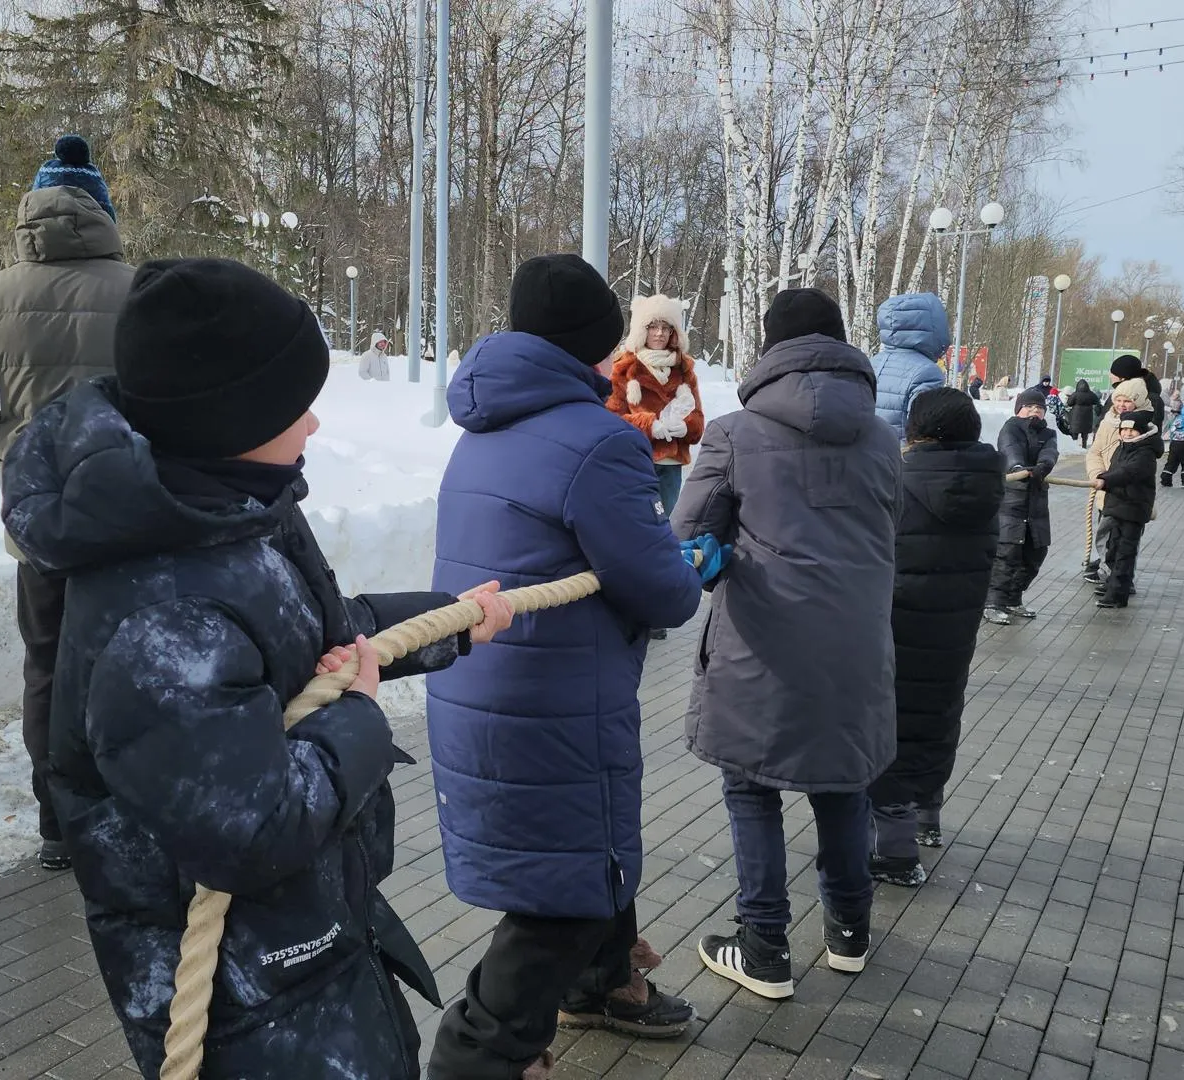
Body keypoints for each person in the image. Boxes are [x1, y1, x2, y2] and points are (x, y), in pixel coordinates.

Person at [0, 257, 512, 1079]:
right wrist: (357, 718)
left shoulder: (226, 509)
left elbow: (313, 642)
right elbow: (250, 829)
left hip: (303, 943)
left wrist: (451, 622)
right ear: (231, 417)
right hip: (246, 998)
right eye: (292, 405)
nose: (312, 424)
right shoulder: (163, 614)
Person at [426, 255, 706, 1080]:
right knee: (564, 891)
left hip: (483, 682)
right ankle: (477, 1055)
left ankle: (601, 985)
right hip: (554, 701)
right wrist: (687, 566)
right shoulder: (600, 440)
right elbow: (664, 593)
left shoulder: (482, 425)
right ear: (599, 340)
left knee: (578, 855)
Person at [672, 287, 900, 1000]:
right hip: (858, 642)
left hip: (762, 643)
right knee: (843, 782)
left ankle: (765, 945)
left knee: (751, 786)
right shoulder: (883, 437)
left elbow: (687, 533)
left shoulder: (734, 434)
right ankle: (850, 931)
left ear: (771, 349)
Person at [0, 134, 137, 870]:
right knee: (131, 662)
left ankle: (59, 824)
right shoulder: (140, 289)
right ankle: (131, 810)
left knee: (47, 665)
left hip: (41, 522)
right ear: (103, 211)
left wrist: (15, 454)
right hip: (131, 516)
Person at [867, 388, 1002, 886]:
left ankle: (896, 853)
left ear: (916, 430)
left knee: (891, 728)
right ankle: (928, 814)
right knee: (939, 715)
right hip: (956, 625)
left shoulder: (898, 480)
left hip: (898, 623)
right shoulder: (988, 483)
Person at [605, 293, 705, 519]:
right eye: (653, 326)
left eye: (665, 327)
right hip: (635, 462)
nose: (659, 333)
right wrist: (650, 425)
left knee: (664, 524)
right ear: (642, 329)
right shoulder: (624, 367)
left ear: (673, 332)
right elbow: (611, 420)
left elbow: (698, 422)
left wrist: (686, 426)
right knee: (634, 523)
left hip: (670, 467)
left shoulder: (684, 370)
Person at [983, 388, 1060, 624]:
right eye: (1029, 407)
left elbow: (1050, 452)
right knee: (1007, 553)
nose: (1034, 411)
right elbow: (1010, 449)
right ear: (1019, 409)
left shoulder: (1048, 433)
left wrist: (1043, 466)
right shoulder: (1011, 427)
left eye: (1039, 408)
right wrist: (1018, 468)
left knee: (1035, 552)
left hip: (1037, 501)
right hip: (1012, 501)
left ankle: (1013, 598)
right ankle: (993, 602)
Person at [1081, 370, 1146, 583]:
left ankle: (1120, 580)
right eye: (1118, 400)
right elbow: (1095, 451)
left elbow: (1140, 462)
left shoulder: (1144, 425)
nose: (1121, 405)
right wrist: (1097, 474)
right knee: (1105, 533)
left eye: (1127, 401)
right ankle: (1108, 571)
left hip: (1129, 492)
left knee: (1125, 540)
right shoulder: (1107, 421)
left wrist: (1112, 478)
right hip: (1105, 487)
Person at [1093, 408, 1161, 608]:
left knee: (1125, 552)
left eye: (1132, 430)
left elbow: (1129, 472)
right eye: (1124, 430)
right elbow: (1115, 469)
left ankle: (1118, 594)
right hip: (1116, 505)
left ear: (1141, 432)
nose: (1127, 433)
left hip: (1133, 508)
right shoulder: (1122, 447)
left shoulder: (1145, 453)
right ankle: (1112, 584)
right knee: (1112, 548)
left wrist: (1105, 480)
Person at [867, 292, 950, 435]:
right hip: (901, 449)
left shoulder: (870, 363)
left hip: (870, 448)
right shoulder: (927, 372)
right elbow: (926, 431)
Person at [1066, 378, 1098, 448]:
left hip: (1076, 415)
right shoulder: (1091, 394)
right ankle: (1084, 445)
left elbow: (1069, 403)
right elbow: (1096, 401)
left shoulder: (1075, 394)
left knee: (1075, 432)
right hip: (1087, 415)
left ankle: (1074, 446)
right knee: (1085, 432)